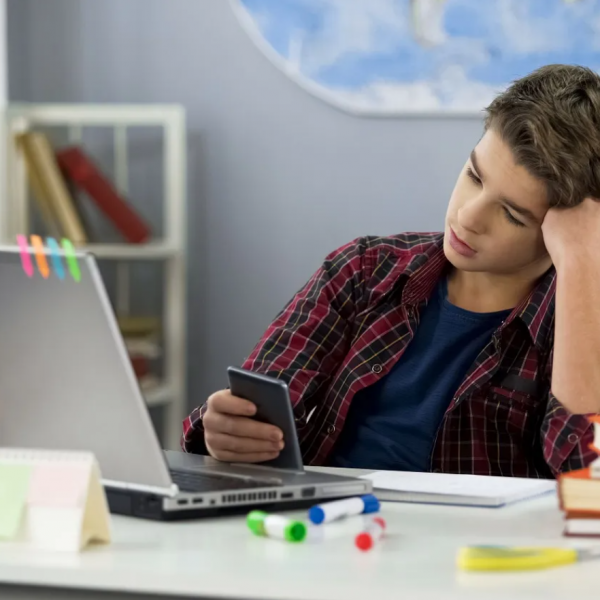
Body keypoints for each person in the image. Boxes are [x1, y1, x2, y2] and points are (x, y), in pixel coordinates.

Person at [182, 64, 600, 478]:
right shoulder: (364, 270)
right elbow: (257, 407)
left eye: (511, 214)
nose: (468, 217)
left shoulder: (579, 319)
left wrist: (583, 261)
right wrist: (224, 431)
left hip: (475, 543)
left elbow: (589, 477)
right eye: (474, 176)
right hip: (332, 527)